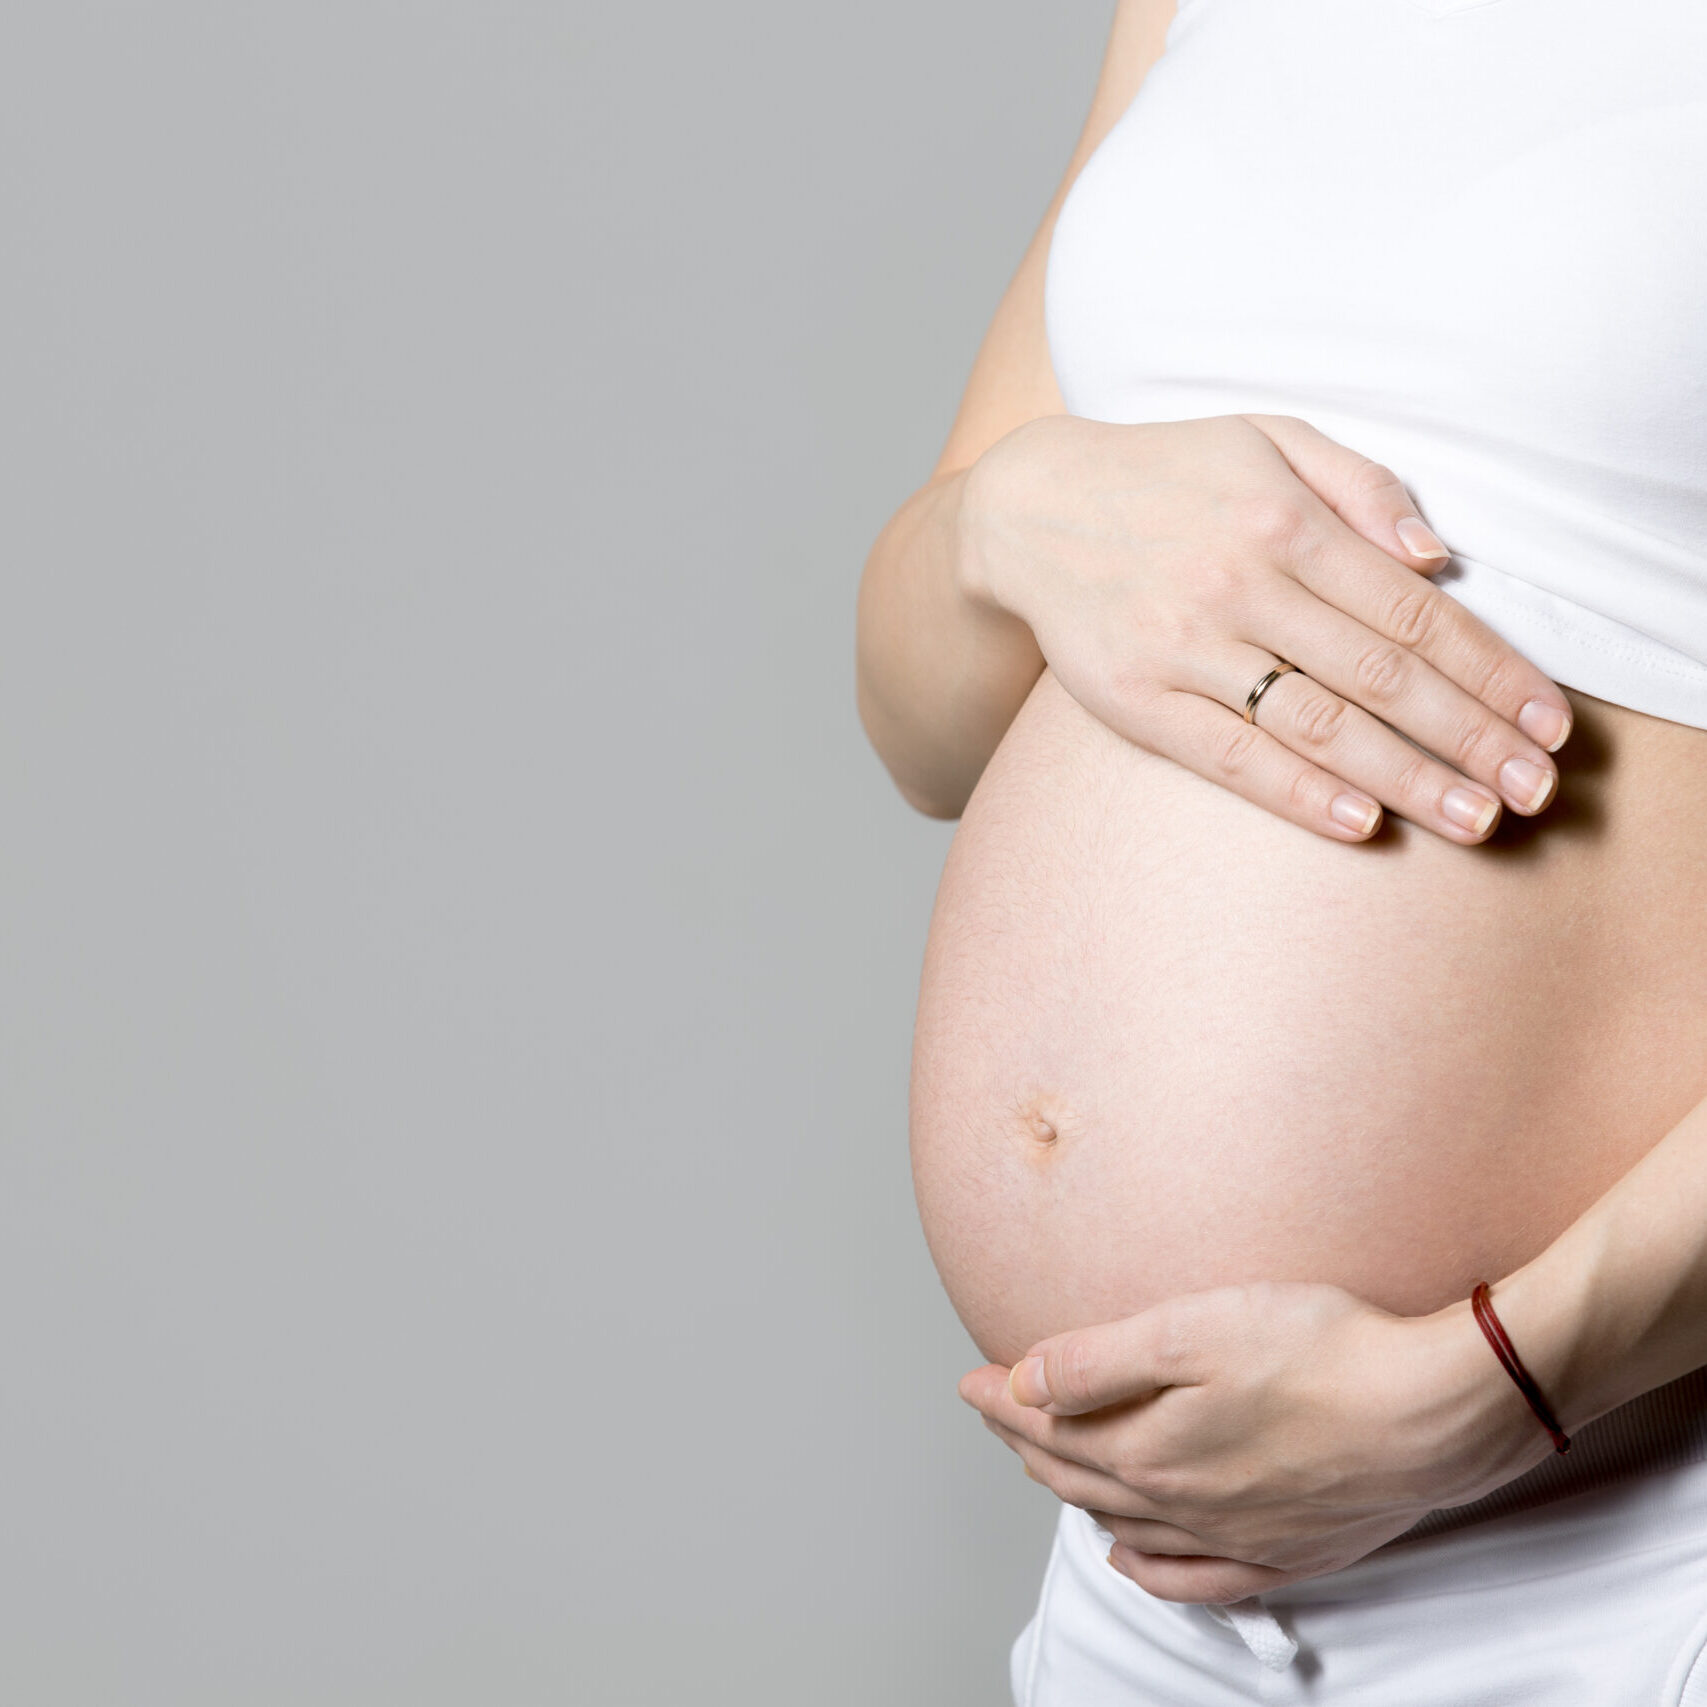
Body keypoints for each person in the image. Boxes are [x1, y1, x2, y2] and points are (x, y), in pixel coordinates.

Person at [855, 0, 1707, 1699]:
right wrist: (1009, 518)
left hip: (1631, 1556)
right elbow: (921, 724)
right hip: (1154, 1610)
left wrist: (1516, 1370)